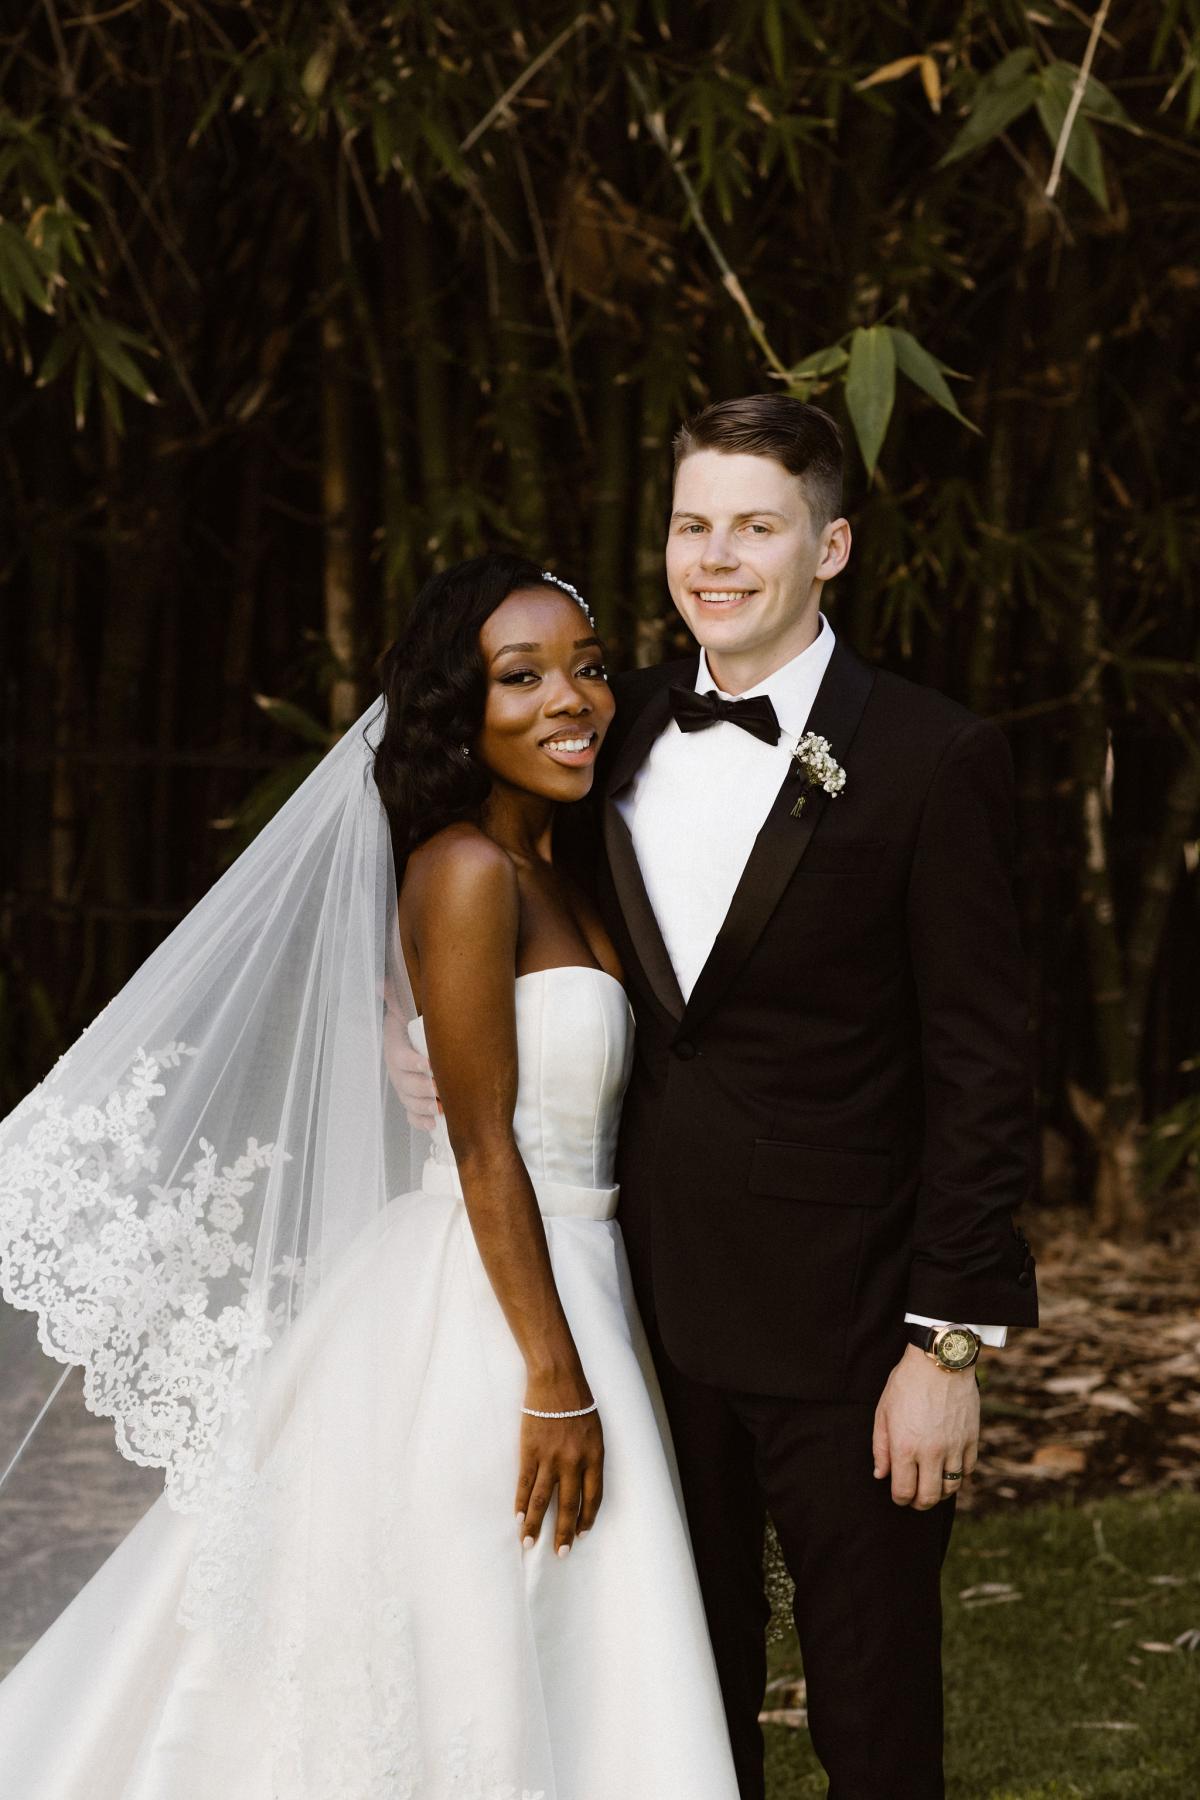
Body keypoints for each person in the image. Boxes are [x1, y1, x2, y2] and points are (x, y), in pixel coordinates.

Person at [0, 554, 741, 1798]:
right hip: (497, 1309)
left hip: (584, 1276)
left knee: (570, 1626)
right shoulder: (462, 869)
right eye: (524, 678)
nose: (573, 699)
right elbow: (482, 1142)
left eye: (590, 668)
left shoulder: (570, 863)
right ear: (463, 708)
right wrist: (554, 1378)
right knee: (468, 1621)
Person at [400, 399, 1040, 1798]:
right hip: (642, 1321)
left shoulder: (936, 759)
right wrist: (425, 1042)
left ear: (834, 546)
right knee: (671, 1720)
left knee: (875, 1721)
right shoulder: (598, 729)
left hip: (855, 1329)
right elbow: (489, 906)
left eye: (758, 524)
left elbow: (988, 1070)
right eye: (695, 523)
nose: (719, 556)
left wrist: (949, 1348)